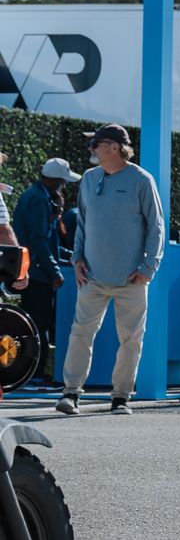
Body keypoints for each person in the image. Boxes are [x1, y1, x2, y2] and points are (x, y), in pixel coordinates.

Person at [57, 124, 164, 416]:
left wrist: (148, 267)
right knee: (80, 333)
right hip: (91, 276)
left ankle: (120, 398)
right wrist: (77, 258)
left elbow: (156, 227)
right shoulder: (90, 180)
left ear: (115, 147)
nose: (91, 149)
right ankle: (71, 393)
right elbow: (82, 224)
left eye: (96, 144)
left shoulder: (142, 180)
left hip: (133, 279)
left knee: (131, 340)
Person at [13, 157, 79, 382]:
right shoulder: (40, 199)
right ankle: (35, 374)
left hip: (34, 270)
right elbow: (39, 239)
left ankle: (33, 372)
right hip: (38, 274)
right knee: (37, 325)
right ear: (54, 181)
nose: (64, 186)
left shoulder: (36, 195)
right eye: (63, 182)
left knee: (34, 323)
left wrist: (70, 258)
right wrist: (55, 272)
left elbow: (46, 241)